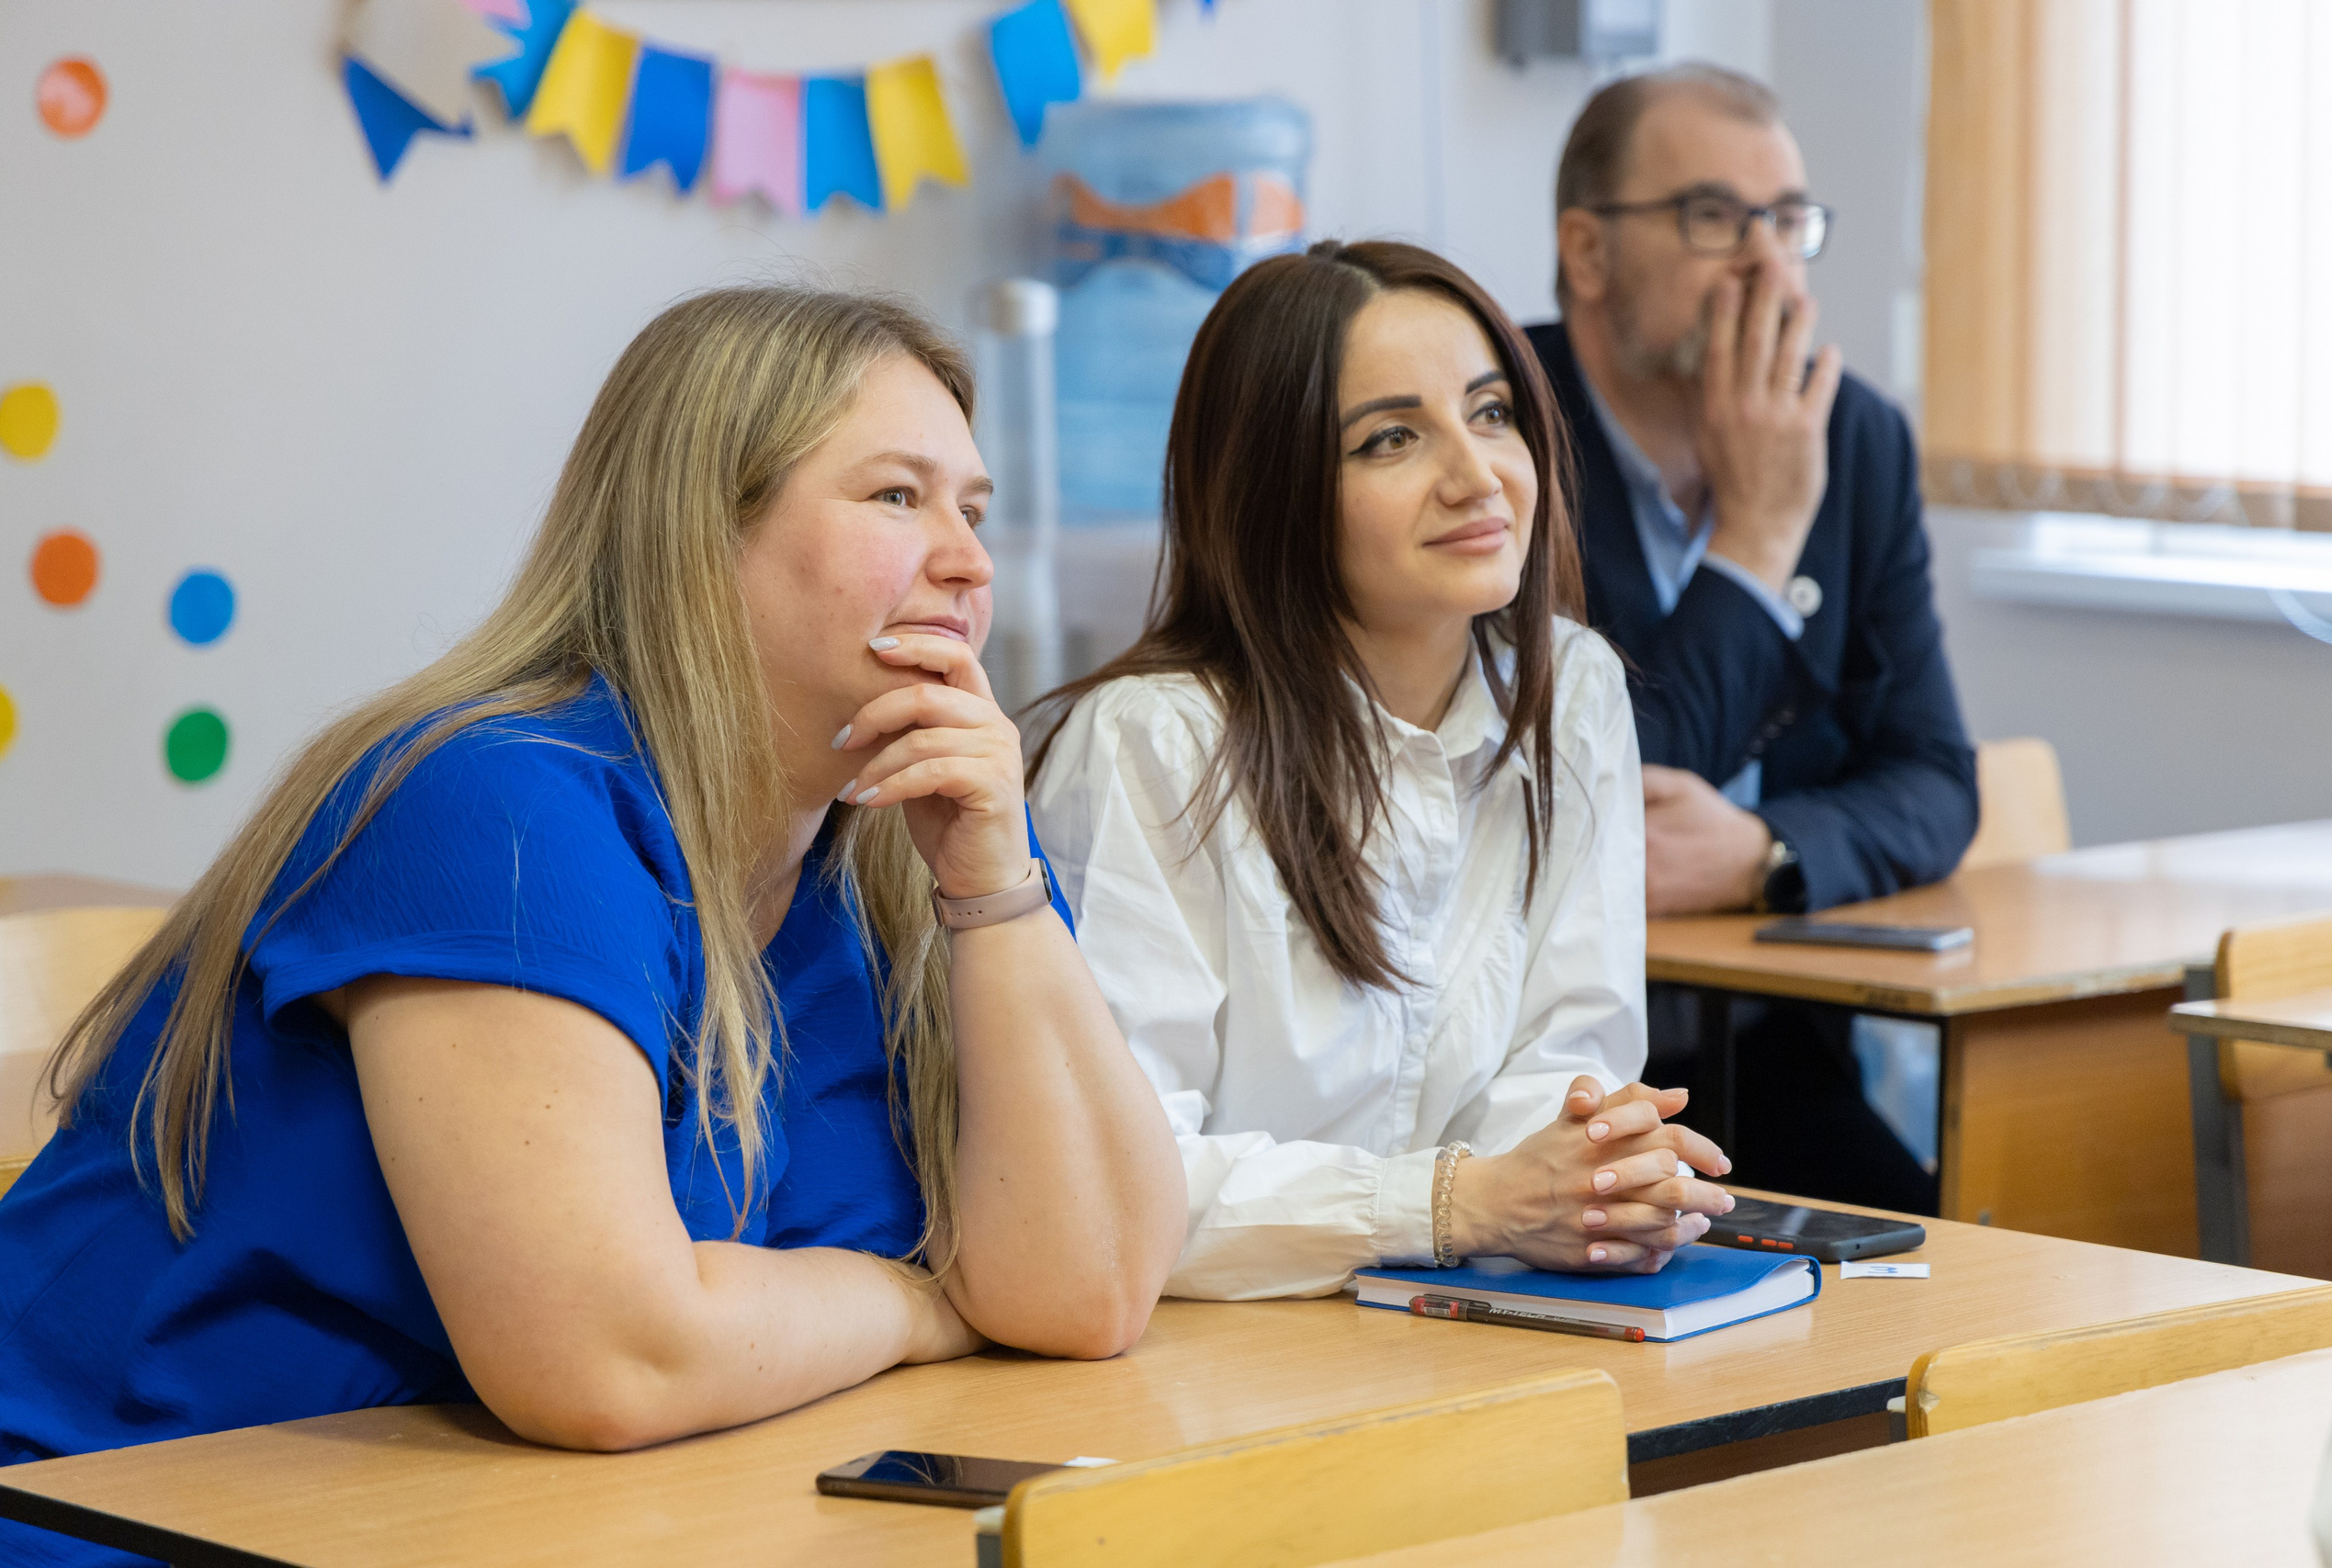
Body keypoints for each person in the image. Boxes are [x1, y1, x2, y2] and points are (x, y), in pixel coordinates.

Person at [0, 287, 1187, 1567]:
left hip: (554, 1525)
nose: (967, 560)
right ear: (698, 534)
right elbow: (610, 1355)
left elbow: (1089, 1288)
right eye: (897, 497)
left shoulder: (916, 842)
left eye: (973, 507)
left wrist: (995, 889)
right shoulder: (493, 799)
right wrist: (907, 1300)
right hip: (126, 1520)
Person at [1027, 240, 1734, 1302]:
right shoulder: (1150, 744)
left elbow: (1565, 1070)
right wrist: (1462, 1205)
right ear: (1272, 491)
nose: (1476, 474)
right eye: (1391, 439)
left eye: (1491, 413)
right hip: (1201, 1369)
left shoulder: (1571, 689)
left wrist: (1596, 1182)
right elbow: (1119, 1187)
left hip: (1456, 1324)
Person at [1524, 64, 1977, 1213]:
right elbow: (1602, 795)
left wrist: (1765, 852)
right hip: (1542, 1090)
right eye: (1714, 219)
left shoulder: (1854, 438)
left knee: (1949, 1265)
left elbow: (1934, 778)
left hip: (1773, 1059)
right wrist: (1760, 538)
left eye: (1786, 222)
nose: (1769, 265)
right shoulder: (1496, 442)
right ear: (1588, 253)